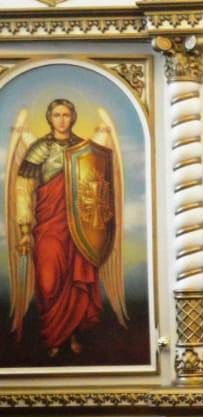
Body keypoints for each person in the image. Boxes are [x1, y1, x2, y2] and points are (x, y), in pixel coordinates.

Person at [10, 98, 124, 356]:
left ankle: (71, 335)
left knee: (75, 283)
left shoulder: (85, 149)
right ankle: (53, 336)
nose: (62, 120)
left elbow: (97, 189)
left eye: (66, 115)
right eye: (57, 115)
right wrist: (25, 231)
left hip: (78, 230)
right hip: (49, 226)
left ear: (73, 117)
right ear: (50, 118)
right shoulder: (39, 149)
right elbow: (23, 190)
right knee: (48, 281)